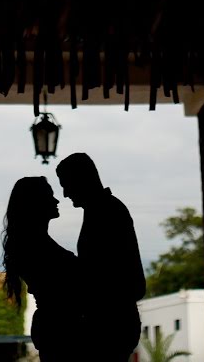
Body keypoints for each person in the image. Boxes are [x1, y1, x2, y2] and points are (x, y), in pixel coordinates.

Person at [56, 152, 146, 362]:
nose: (65, 193)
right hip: (114, 321)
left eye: (66, 183)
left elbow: (106, 274)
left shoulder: (106, 212)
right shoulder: (105, 209)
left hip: (111, 324)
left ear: (81, 179)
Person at [2, 177, 81, 362]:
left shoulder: (31, 245)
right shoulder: (36, 247)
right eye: (50, 196)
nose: (56, 200)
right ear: (35, 204)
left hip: (54, 329)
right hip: (61, 330)